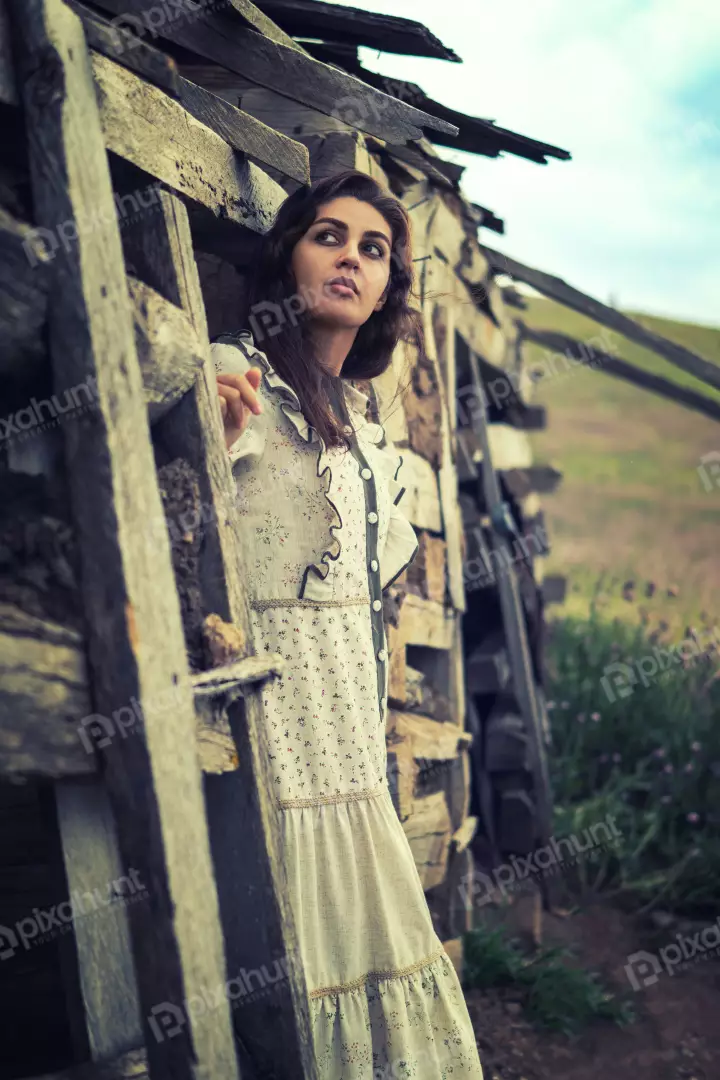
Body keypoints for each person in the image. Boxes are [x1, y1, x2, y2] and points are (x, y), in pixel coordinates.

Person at [211, 169, 484, 1078]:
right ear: (288, 254)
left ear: (387, 289)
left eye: (374, 250)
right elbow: (175, 513)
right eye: (328, 236)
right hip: (274, 745)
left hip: (353, 758)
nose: (351, 259)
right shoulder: (238, 376)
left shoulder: (368, 432)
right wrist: (209, 421)